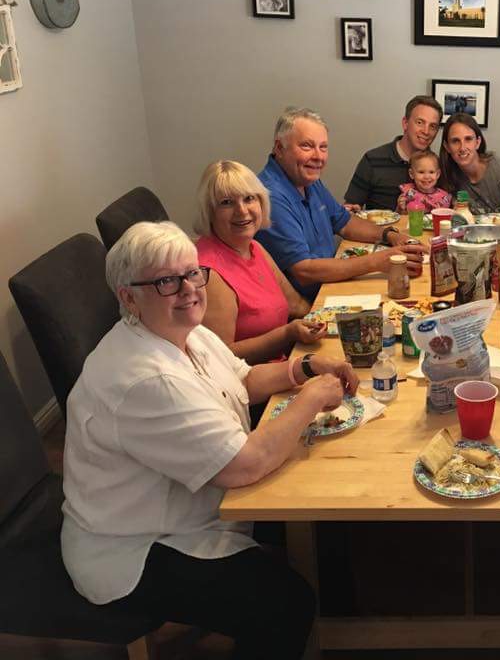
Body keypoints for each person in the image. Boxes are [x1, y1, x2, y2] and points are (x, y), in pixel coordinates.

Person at [61, 221, 360, 659]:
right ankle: (315, 626)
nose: (189, 290)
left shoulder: (184, 330)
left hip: (193, 504)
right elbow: (246, 464)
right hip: (137, 545)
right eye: (166, 282)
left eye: (192, 273)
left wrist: (305, 368)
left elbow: (243, 380)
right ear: (129, 297)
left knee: (324, 515)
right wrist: (311, 399)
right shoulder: (146, 378)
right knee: (282, 605)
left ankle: (341, 632)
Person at [256, 107, 425, 299]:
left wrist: (389, 235)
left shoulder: (306, 179)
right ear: (279, 148)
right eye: (307, 146)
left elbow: (345, 222)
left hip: (331, 284)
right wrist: (377, 262)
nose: (318, 157)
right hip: (309, 303)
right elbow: (304, 271)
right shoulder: (271, 196)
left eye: (323, 147)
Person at [194, 160, 323, 365]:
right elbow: (221, 357)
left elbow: (296, 304)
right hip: (250, 380)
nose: (242, 210)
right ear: (210, 211)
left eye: (249, 199)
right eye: (227, 202)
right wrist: (286, 334)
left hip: (284, 363)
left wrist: (332, 321)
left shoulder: (253, 247)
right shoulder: (208, 274)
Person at [343, 95, 443, 211]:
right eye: (420, 122)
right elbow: (351, 207)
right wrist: (352, 210)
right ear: (405, 123)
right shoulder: (372, 160)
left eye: (433, 126)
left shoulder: (438, 166)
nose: (426, 131)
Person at [439, 112, 500, 215]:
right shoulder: (444, 174)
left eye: (468, 139)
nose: (462, 148)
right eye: (455, 141)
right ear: (447, 146)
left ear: (478, 142)